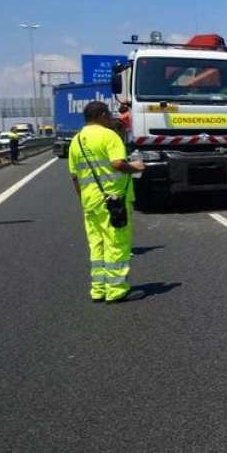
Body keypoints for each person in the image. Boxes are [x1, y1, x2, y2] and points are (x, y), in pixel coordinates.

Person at [68, 101, 145, 303]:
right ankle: (117, 290)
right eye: (108, 114)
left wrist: (84, 199)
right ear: (102, 115)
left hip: (90, 202)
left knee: (97, 245)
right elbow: (118, 164)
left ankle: (98, 289)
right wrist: (136, 166)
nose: (110, 118)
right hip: (113, 200)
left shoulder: (76, 141)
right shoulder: (109, 136)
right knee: (117, 244)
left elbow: (75, 176)